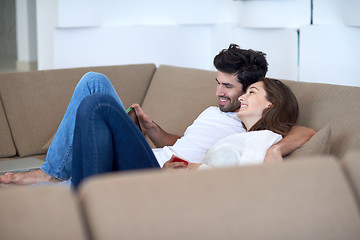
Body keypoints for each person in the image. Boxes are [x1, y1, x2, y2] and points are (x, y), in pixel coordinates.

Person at [0, 44, 315, 185]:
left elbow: (301, 130)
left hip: (152, 169)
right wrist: (152, 130)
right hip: (157, 154)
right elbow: (187, 144)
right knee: (93, 83)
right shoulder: (218, 112)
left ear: (252, 89)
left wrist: (277, 150)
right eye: (217, 82)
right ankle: (58, 173)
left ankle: (53, 174)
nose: (219, 92)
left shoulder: (254, 129)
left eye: (230, 87)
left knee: (95, 99)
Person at [199, 77, 298, 169]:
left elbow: (246, 176)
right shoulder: (247, 137)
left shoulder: (264, 137)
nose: (240, 98)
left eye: (251, 92)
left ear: (271, 103)